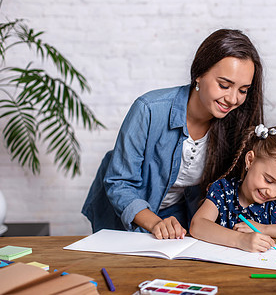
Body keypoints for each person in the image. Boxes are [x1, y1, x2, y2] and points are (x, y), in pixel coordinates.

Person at [82, 29, 264, 240]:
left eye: (243, 90)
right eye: (224, 85)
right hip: (124, 214)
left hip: (178, 216)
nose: (233, 99)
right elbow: (119, 182)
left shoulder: (236, 124)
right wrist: (156, 223)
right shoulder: (149, 109)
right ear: (199, 74)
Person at [190, 124, 276, 252]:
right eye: (268, 180)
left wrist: (262, 228)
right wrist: (240, 240)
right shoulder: (223, 191)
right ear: (250, 160)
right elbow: (198, 225)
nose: (271, 192)